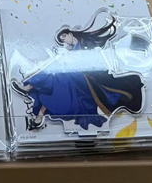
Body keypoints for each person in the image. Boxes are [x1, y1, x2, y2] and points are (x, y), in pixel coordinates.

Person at [10, 13, 144, 131]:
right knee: (55, 83)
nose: (64, 40)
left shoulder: (85, 44)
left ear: (70, 33)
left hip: (87, 78)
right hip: (73, 78)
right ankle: (39, 112)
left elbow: (92, 61)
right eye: (62, 39)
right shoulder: (69, 49)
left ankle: (30, 89)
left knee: (55, 75)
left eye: (64, 37)